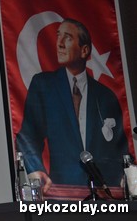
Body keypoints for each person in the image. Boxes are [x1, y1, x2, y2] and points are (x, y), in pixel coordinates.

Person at [16, 18, 128, 195]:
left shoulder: (106, 96)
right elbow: (29, 135)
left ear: (84, 50)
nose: (59, 43)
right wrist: (34, 168)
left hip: (104, 195)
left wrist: (125, 177)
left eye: (67, 38)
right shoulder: (44, 85)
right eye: (58, 36)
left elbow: (120, 149)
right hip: (61, 193)